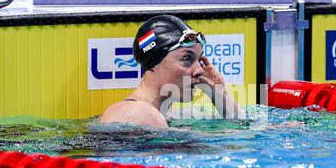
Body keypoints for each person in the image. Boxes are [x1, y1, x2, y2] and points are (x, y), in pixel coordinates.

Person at [99, 15, 243, 128]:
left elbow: (242, 128)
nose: (200, 70)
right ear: (154, 61)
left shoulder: (167, 115)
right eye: (187, 59)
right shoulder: (138, 114)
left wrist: (218, 93)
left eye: (199, 60)